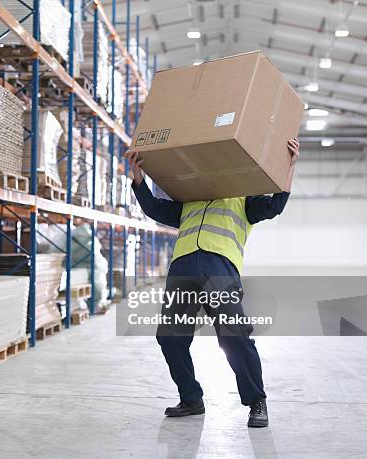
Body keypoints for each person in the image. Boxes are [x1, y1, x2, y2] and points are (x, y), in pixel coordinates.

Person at [124, 138, 300, 428]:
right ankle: (191, 398)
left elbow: (275, 205)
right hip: (182, 268)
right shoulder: (189, 199)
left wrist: (289, 167)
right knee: (169, 337)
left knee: (234, 336)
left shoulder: (243, 198)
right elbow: (155, 209)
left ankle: (257, 401)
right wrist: (138, 178)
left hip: (219, 268)